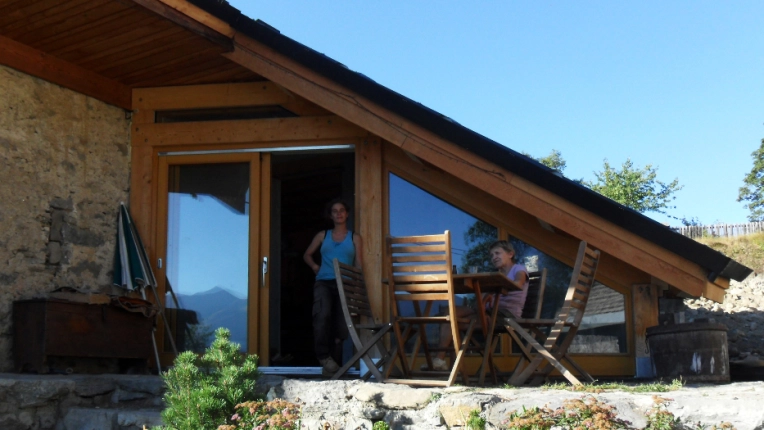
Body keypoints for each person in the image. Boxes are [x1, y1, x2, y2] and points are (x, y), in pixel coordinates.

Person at [430, 240, 529, 371]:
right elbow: (483, 297)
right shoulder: (496, 274)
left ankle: (447, 364)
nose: (494, 257)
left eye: (497, 253)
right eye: (492, 255)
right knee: (450, 314)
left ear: (510, 254)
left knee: (454, 322)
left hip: (505, 315)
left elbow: (518, 282)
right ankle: (441, 361)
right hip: (487, 311)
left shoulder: (519, 269)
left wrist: (496, 287)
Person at [303, 198, 364, 376]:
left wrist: (357, 287)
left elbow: (359, 264)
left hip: (345, 283)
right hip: (324, 281)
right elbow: (307, 254)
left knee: (341, 326)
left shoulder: (355, 237)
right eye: (335, 211)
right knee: (322, 315)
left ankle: (333, 367)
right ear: (330, 215)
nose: (338, 213)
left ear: (347, 214)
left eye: (342, 210)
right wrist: (315, 267)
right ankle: (323, 356)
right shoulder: (323, 235)